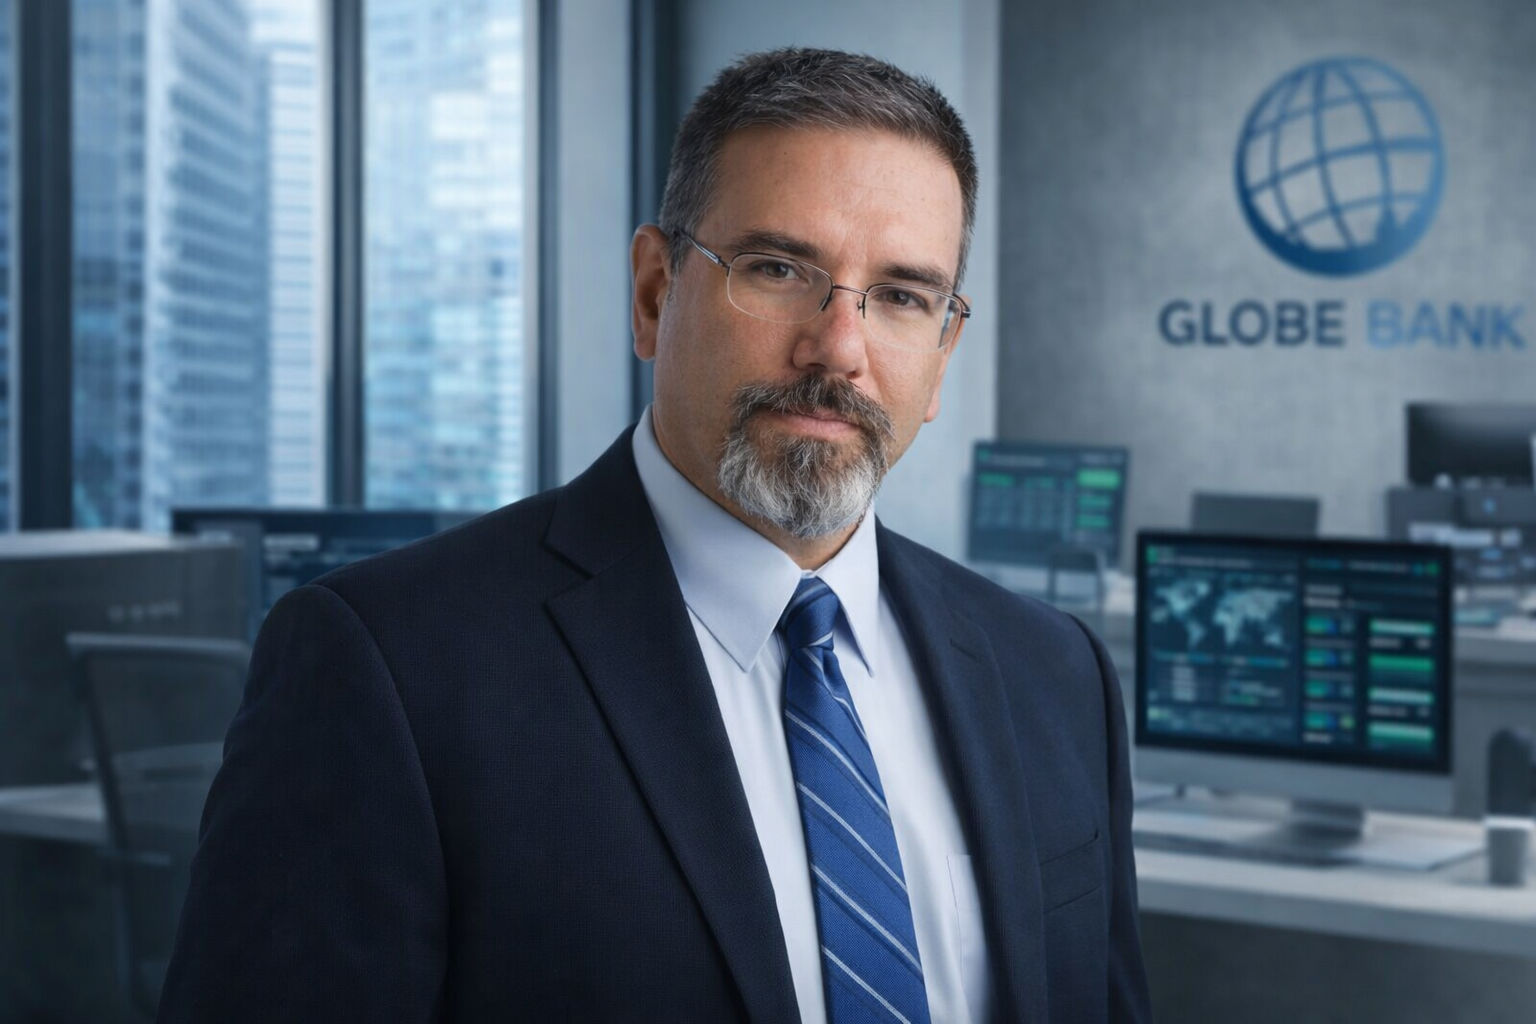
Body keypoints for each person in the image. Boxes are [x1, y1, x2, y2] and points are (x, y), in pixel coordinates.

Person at [158, 47, 1151, 1024]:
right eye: (776, 267)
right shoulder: (389, 666)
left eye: (899, 296)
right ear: (651, 292)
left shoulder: (1052, 674)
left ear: (942, 350)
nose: (839, 348)